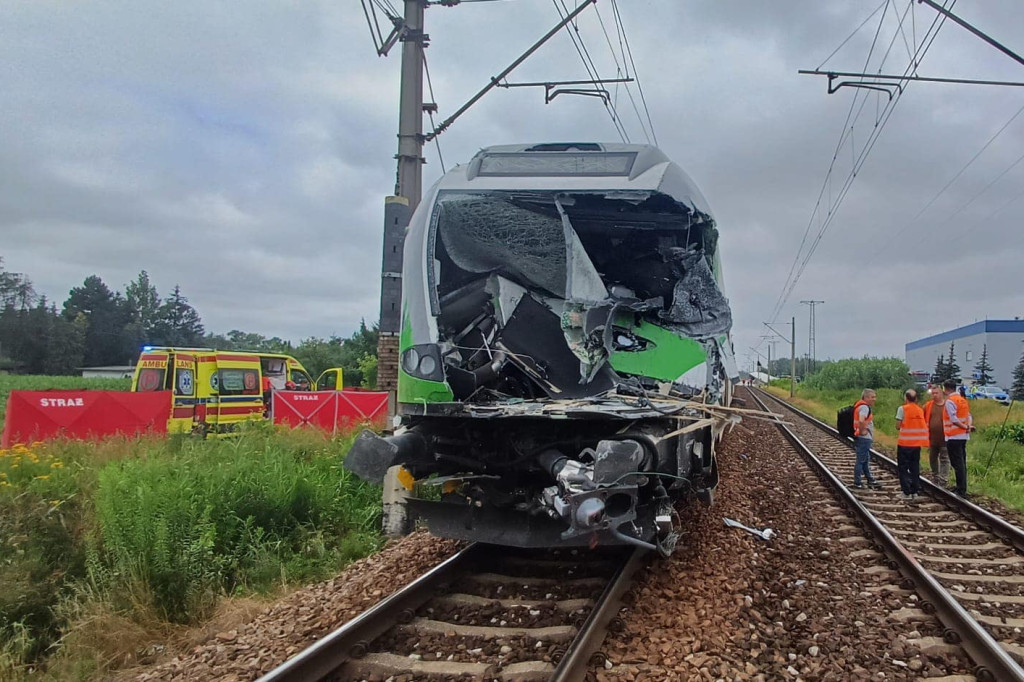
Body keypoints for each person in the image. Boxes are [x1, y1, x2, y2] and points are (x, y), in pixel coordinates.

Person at [895, 389, 928, 500]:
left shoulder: (902, 409)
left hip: (904, 443)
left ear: (906, 398)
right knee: (915, 468)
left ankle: (906, 492)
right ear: (916, 399)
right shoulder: (920, 410)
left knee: (903, 468)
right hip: (916, 444)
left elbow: (898, 425)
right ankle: (915, 491)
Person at [943, 378, 973, 498]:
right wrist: (968, 426)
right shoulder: (962, 400)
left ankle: (961, 489)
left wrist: (965, 426)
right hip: (963, 436)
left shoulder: (950, 401)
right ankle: (961, 486)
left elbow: (953, 419)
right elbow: (969, 415)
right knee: (962, 462)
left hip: (953, 436)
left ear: (946, 389)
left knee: (957, 463)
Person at [852, 389, 882, 490]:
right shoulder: (864, 407)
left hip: (863, 438)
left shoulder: (860, 406)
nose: (874, 399)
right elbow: (861, 420)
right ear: (866, 397)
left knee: (865, 459)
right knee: (861, 460)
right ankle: (857, 482)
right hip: (864, 438)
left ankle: (870, 479)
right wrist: (862, 431)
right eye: (872, 397)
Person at [923, 385, 950, 487]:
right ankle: (935, 476)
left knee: (945, 458)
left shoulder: (948, 405)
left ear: (941, 393)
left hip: (945, 437)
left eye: (936, 393)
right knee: (932, 458)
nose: (934, 395)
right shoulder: (928, 405)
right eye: (933, 393)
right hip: (932, 438)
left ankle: (943, 479)